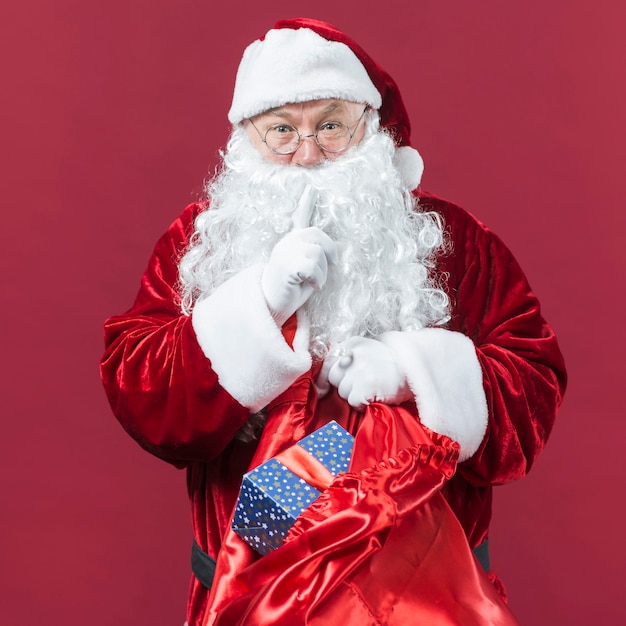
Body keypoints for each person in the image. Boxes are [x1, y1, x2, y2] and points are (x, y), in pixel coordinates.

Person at [100, 17, 566, 626]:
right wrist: (259, 306)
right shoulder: (201, 241)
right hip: (255, 569)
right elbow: (143, 394)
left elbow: (533, 382)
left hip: (423, 580)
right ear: (247, 137)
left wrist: (412, 370)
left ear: (368, 126)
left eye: (330, 125)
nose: (309, 153)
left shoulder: (452, 242)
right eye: (282, 132)